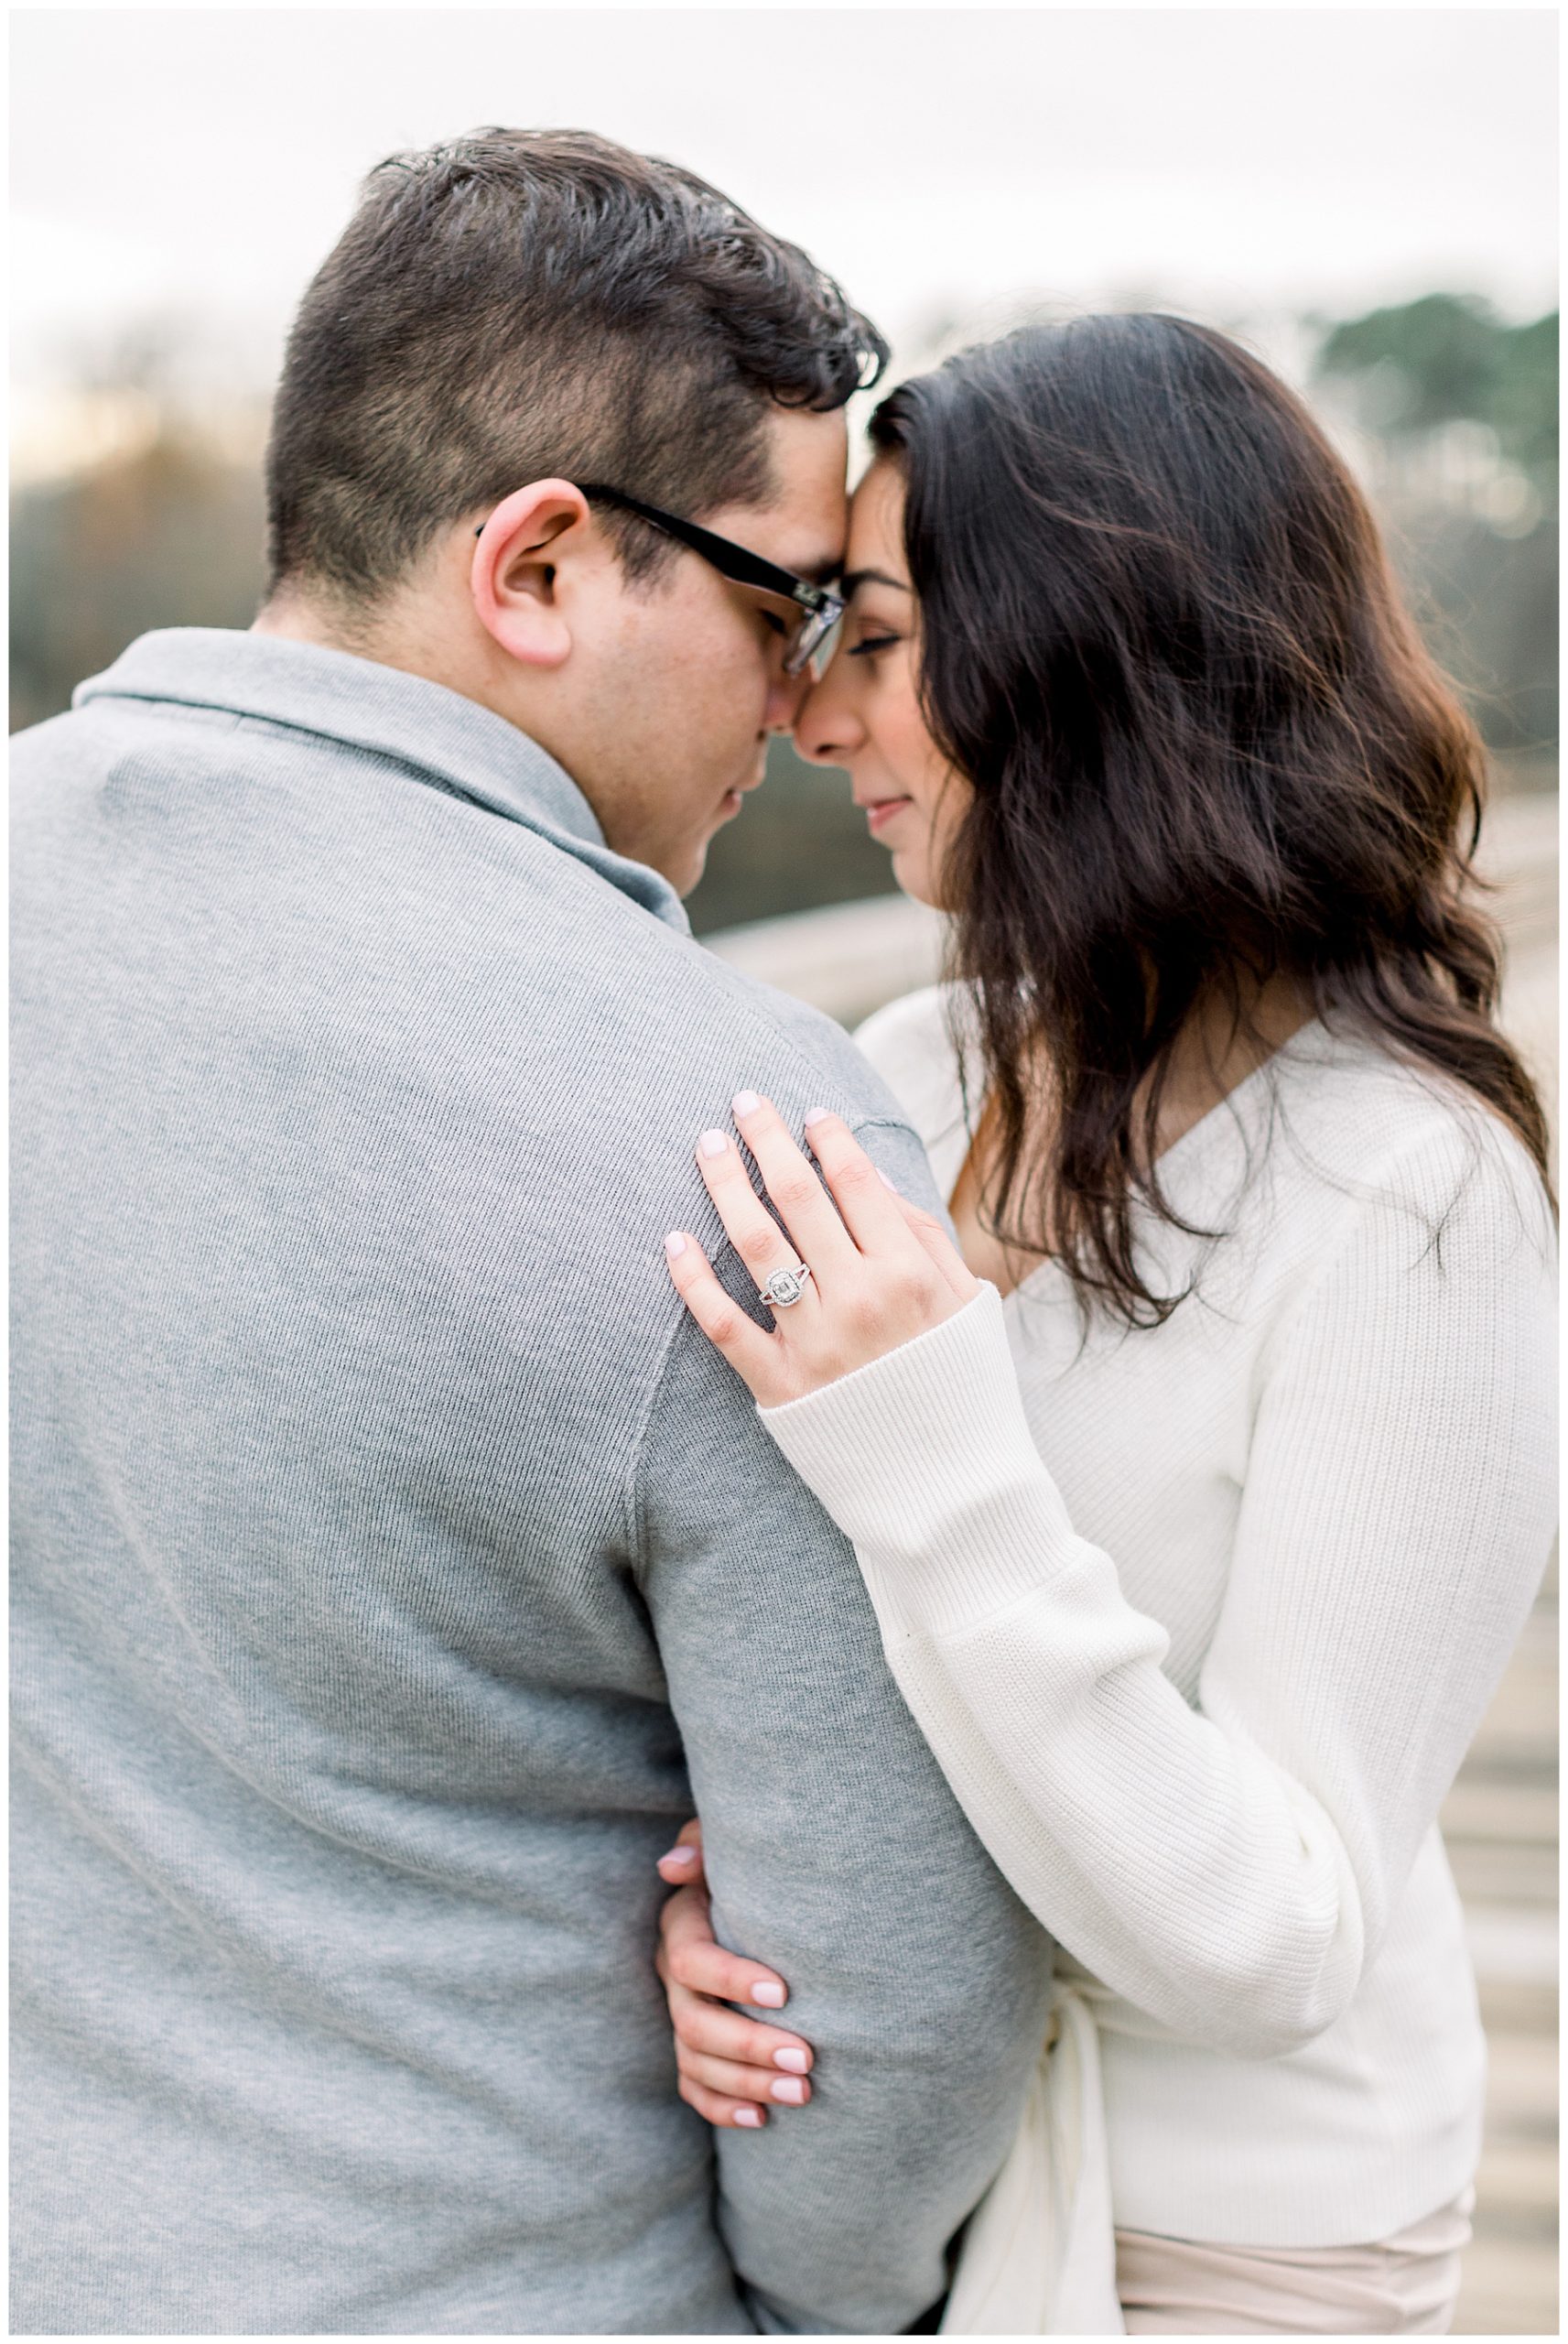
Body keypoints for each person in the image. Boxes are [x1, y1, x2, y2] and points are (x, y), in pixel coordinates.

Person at [10, 130, 1054, 2336]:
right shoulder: (751, 1143)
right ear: (541, 564)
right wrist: (823, 2292)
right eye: (782, 610)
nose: (799, 707)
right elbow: (884, 1995)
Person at [651, 316, 1558, 2334]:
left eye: (871, 642)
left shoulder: (1409, 1191)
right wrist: (741, 1913)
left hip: (1224, 2245)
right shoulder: (904, 1065)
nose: (813, 721)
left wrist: (931, 1452)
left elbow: (1273, 1934)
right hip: (900, 2158)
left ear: (1083, 652)